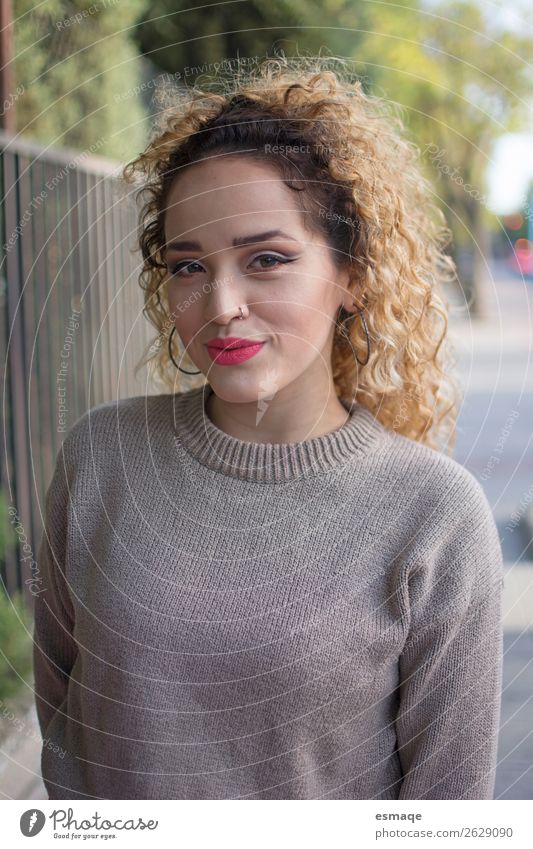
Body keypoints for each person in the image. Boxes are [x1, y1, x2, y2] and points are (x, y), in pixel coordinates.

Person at [33, 56, 504, 800]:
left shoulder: (434, 516)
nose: (220, 303)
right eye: (188, 266)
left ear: (352, 274)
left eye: (266, 259)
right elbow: (64, 723)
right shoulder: (102, 457)